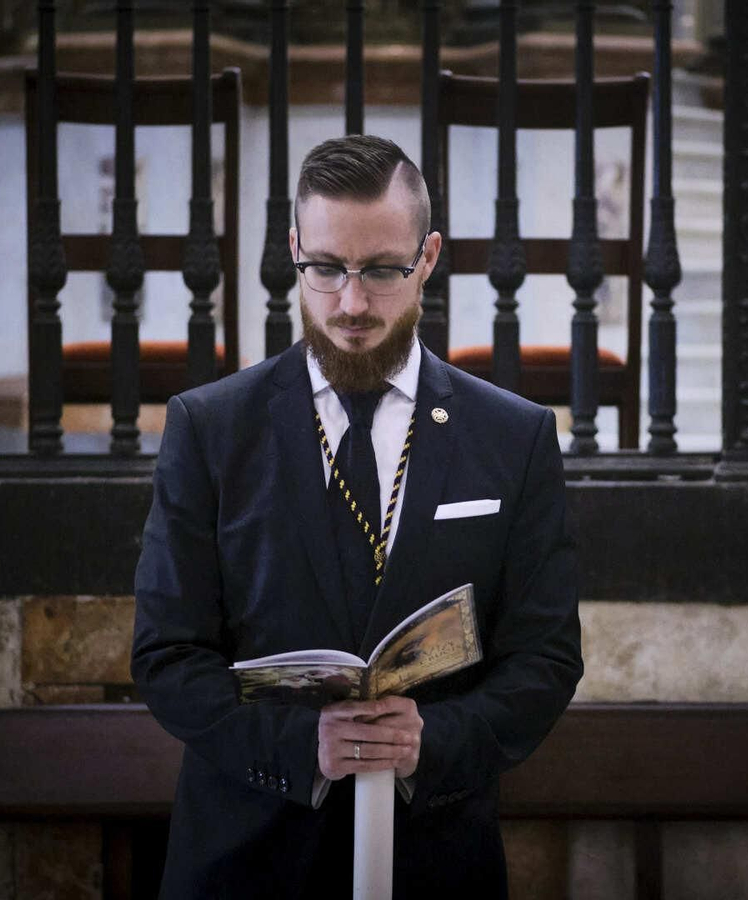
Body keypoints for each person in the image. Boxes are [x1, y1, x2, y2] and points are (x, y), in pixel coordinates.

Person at [132, 134, 582, 898]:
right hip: (245, 860)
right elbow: (168, 656)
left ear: (428, 257)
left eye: (380, 270)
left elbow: (545, 658)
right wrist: (302, 742)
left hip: (435, 863)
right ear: (294, 252)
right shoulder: (209, 430)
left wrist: (427, 741)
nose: (350, 302)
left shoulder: (515, 438)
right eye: (326, 268)